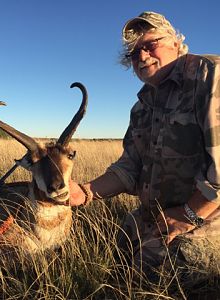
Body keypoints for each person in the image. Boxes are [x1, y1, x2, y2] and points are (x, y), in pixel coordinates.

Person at [69, 11, 220, 276]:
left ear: (175, 42)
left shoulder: (210, 75)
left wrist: (189, 214)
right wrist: (85, 192)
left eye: (150, 44)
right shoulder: (141, 107)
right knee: (114, 253)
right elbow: (130, 168)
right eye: (133, 52)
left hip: (207, 216)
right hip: (160, 213)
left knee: (151, 273)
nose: (141, 56)